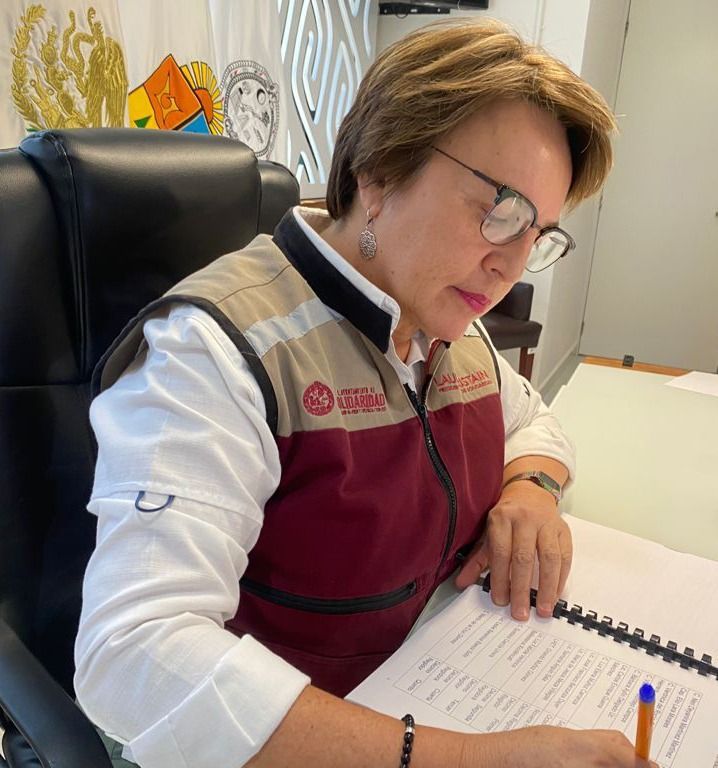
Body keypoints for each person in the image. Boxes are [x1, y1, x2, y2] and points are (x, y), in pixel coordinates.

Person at [75, 17, 657, 768]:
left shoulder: (450, 326)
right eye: (500, 211)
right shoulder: (215, 351)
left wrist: (532, 490)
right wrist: (470, 760)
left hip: (432, 678)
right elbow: (131, 656)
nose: (512, 266)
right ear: (379, 171)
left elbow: (532, 421)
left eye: (536, 233)